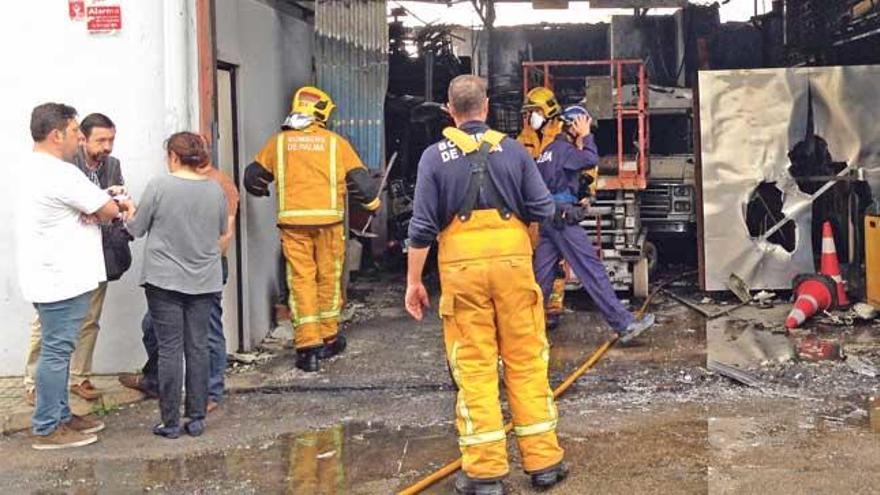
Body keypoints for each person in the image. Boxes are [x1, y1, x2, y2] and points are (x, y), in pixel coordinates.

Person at [405, 75, 568, 494]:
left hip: (462, 269)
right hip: (514, 264)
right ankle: (544, 464)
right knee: (526, 361)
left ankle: (485, 474)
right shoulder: (513, 149)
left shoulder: (432, 157)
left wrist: (413, 283)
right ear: (487, 105)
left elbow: (421, 227)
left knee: (475, 369)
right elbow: (542, 207)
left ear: (449, 109)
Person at [14, 103, 131, 450]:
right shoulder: (59, 173)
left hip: (54, 275)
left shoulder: (36, 168)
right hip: (61, 279)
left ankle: (62, 414)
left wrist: (97, 205)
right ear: (56, 135)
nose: (79, 138)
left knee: (60, 351)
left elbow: (92, 205)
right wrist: (109, 206)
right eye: (75, 132)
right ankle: (48, 426)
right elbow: (108, 210)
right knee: (56, 351)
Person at [244, 86, 381, 373]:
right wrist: (373, 204)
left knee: (301, 281)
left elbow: (253, 176)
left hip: (294, 225)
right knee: (328, 279)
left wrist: (260, 191)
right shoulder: (335, 144)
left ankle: (308, 348)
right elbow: (362, 183)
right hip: (329, 224)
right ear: (322, 113)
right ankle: (329, 336)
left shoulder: (280, 143)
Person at [118, 149, 239, 414]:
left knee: (198, 339)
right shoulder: (208, 188)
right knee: (164, 332)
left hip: (187, 273)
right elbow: (220, 228)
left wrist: (130, 212)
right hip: (197, 273)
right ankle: (170, 392)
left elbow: (223, 233)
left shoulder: (217, 185)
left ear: (174, 156)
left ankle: (205, 395)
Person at [533, 105, 655, 344]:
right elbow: (590, 159)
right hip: (564, 222)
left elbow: (555, 183)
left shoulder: (547, 151)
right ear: (574, 126)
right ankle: (625, 323)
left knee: (540, 279)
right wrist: (586, 135)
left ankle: (521, 329)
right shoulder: (565, 150)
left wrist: (580, 195)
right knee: (591, 270)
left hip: (548, 220)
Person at [517, 87, 568, 328]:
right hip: (530, 213)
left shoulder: (563, 137)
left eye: (535, 112)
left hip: (556, 207)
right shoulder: (521, 140)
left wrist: (585, 195)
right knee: (530, 262)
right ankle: (533, 308)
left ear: (548, 111)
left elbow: (586, 167)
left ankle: (553, 309)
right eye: (528, 113)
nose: (530, 117)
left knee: (556, 263)